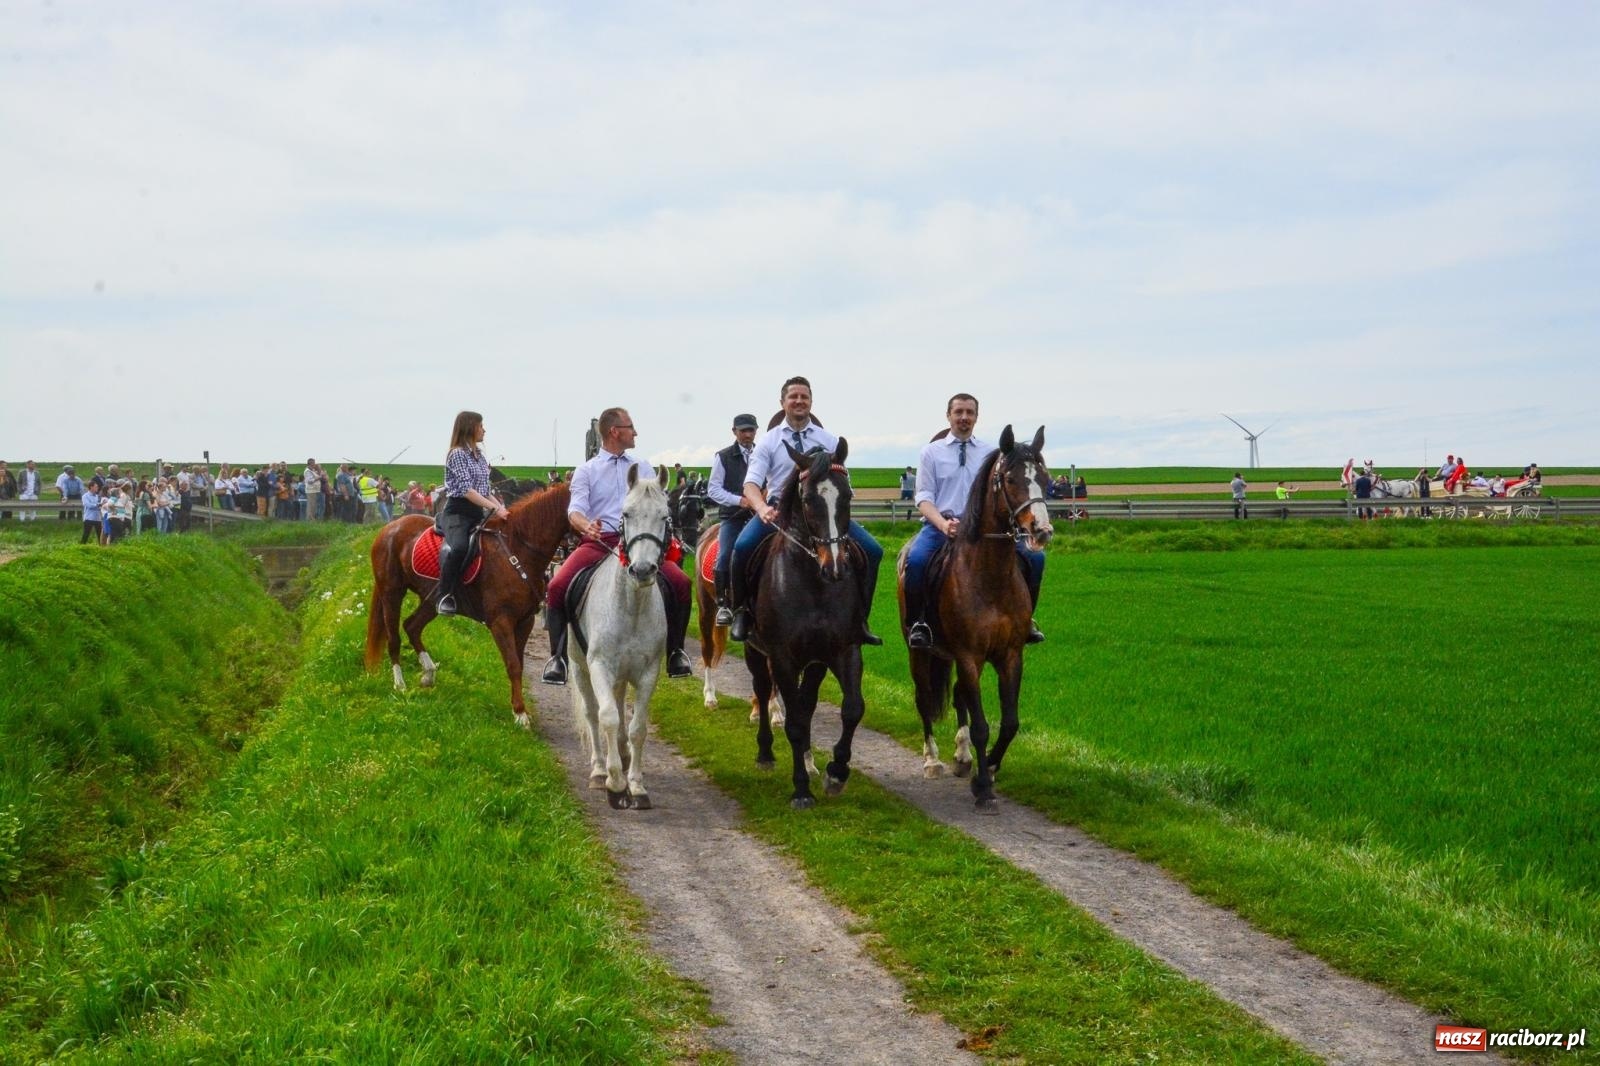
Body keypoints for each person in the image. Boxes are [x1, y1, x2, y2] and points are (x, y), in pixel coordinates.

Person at [540, 407, 695, 684]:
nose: (635, 432)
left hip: (640, 543)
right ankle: (558, 658)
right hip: (600, 542)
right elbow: (574, 510)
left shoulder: (643, 467)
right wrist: (585, 525)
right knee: (556, 586)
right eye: (630, 427)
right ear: (614, 431)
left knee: (681, 583)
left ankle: (676, 652)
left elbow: (657, 505)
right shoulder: (586, 471)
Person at [727, 375, 884, 645]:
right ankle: (741, 612)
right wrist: (762, 507)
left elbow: (843, 482)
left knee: (873, 550)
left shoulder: (829, 440)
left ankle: (860, 620)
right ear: (782, 402)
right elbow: (751, 485)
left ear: (811, 402)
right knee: (742, 547)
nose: (799, 401)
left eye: (804, 397)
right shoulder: (768, 442)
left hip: (822, 513)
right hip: (780, 511)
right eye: (793, 397)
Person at [903, 393, 1045, 650]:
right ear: (949, 416)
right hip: (942, 526)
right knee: (916, 561)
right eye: (959, 412)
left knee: (1036, 558)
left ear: (976, 418)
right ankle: (918, 623)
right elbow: (923, 497)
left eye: (969, 413)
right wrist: (943, 524)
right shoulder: (931, 453)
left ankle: (1026, 620)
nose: (964, 417)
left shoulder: (991, 453)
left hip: (983, 530)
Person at [435, 411, 509, 616]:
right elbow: (468, 491)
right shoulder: (457, 454)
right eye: (480, 425)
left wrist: (502, 509)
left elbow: (485, 490)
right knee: (458, 548)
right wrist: (493, 508)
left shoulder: (480, 456)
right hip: (457, 511)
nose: (484, 429)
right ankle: (445, 595)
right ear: (469, 427)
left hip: (478, 511)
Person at [706, 412, 760, 626]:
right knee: (726, 553)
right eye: (743, 431)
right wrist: (739, 500)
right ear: (734, 432)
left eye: (751, 430)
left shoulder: (763, 454)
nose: (747, 434)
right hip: (734, 517)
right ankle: (723, 604)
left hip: (761, 515)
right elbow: (713, 489)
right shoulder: (723, 456)